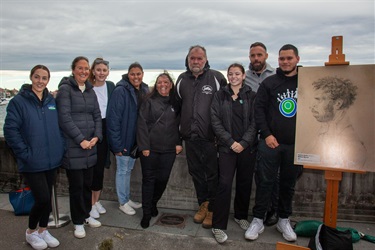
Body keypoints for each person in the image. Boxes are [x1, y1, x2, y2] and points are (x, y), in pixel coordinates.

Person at [245, 44, 303, 242]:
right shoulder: (269, 83)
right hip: (270, 143)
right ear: (277, 60)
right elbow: (258, 111)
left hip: (295, 145)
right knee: (264, 182)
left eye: (289, 58)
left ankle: (284, 219)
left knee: (288, 184)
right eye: (282, 59)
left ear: (297, 59)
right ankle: (258, 219)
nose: (285, 62)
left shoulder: (306, 82)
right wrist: (267, 134)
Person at [4, 65, 64, 249]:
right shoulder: (18, 102)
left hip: (52, 159)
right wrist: (25, 154)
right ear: (31, 78)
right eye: (37, 77)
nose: (40, 81)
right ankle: (31, 232)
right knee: (43, 199)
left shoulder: (51, 101)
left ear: (48, 80)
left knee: (47, 199)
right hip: (32, 161)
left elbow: (58, 128)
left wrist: (60, 148)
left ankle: (43, 230)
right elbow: (10, 130)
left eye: (44, 78)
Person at [174, 45, 227, 229]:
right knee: (196, 173)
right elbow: (177, 110)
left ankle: (213, 208)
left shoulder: (217, 77)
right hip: (190, 138)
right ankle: (202, 204)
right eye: (192, 58)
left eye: (199, 58)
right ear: (188, 60)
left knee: (213, 174)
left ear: (205, 59)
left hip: (211, 139)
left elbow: (225, 108)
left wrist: (222, 136)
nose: (195, 61)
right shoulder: (181, 79)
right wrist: (178, 139)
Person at [56, 56, 103, 239]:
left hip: (90, 146)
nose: (84, 71)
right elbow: (64, 119)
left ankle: (86, 215)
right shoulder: (65, 90)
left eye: (86, 68)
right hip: (74, 147)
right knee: (76, 186)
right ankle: (77, 222)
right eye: (80, 68)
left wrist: (97, 136)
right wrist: (80, 140)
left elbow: (97, 116)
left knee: (87, 185)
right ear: (73, 69)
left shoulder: (90, 91)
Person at [210, 63, 257, 243]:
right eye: (230, 74)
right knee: (224, 184)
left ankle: (240, 215)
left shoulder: (251, 96)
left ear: (244, 76)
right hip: (226, 148)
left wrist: (244, 143)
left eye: (237, 73)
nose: (233, 76)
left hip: (247, 148)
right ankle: (218, 226)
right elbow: (215, 121)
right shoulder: (219, 95)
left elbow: (255, 121)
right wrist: (230, 142)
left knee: (245, 182)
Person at [137, 72, 183, 228]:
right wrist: (144, 147)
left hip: (169, 149)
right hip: (150, 149)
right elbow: (141, 124)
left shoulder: (176, 102)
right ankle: (146, 213)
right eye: (159, 82)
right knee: (148, 181)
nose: (162, 85)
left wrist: (178, 142)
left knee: (162, 180)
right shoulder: (148, 101)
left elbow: (179, 125)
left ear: (171, 84)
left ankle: (153, 203)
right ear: (155, 85)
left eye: (166, 82)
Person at [107, 62, 149, 216]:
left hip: (135, 140)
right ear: (128, 74)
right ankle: (122, 202)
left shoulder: (144, 89)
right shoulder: (121, 91)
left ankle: (127, 198)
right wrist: (116, 145)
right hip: (124, 139)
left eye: (138, 74)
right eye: (133, 74)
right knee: (123, 170)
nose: (136, 77)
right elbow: (113, 120)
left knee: (128, 170)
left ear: (142, 74)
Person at [245, 42, 279, 226]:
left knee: (272, 175)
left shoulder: (275, 75)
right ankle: (260, 211)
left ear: (266, 55)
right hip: (250, 133)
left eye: (259, 55)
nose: (256, 58)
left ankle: (272, 210)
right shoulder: (244, 77)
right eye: (252, 55)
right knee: (258, 175)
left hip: (270, 132)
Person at [305, 76, 366, 169]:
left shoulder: (353, 144)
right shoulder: (324, 130)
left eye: (319, 100)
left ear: (338, 104)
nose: (312, 106)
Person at [87, 58, 115, 219]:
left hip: (106, 128)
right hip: (91, 128)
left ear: (108, 72)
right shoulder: (87, 87)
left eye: (104, 70)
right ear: (93, 71)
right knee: (91, 168)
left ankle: (95, 201)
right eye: (98, 70)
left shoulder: (110, 86)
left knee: (100, 167)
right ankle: (89, 204)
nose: (101, 73)